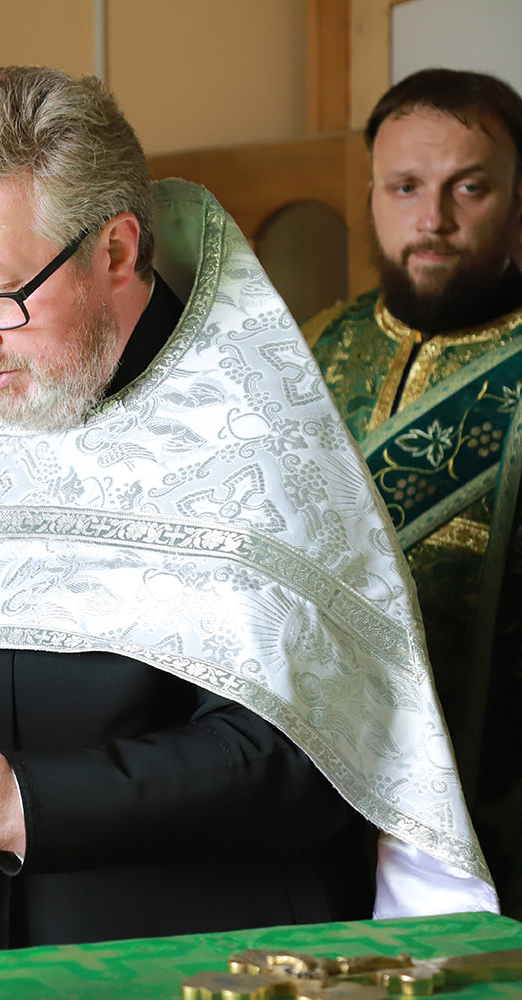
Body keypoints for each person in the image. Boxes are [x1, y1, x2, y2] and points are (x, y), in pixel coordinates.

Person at [0, 65, 497, 958]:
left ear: (115, 250)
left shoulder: (250, 444)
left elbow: (317, 759)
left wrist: (10, 802)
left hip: (172, 961)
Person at [304, 68, 522, 918]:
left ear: (515, 197)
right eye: (405, 187)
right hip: (323, 792)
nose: (432, 220)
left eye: (469, 188)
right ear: (372, 195)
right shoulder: (312, 348)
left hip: (496, 808)